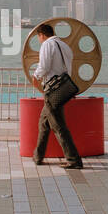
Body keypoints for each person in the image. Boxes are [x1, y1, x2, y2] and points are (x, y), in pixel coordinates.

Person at [31, 23, 82, 169]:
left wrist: (36, 76)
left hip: (52, 90)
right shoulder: (64, 46)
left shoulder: (47, 45)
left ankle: (74, 159)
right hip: (62, 89)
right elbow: (68, 68)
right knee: (44, 123)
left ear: (42, 35)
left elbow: (44, 65)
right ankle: (38, 156)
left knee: (59, 126)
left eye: (39, 38)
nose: (39, 40)